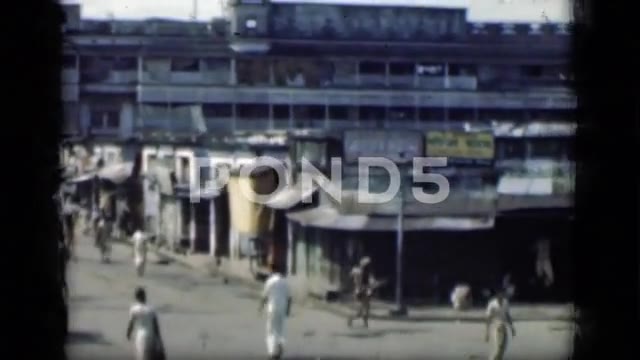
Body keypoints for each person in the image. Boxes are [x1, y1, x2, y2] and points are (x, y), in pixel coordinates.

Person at [258, 264, 292, 360]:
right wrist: (288, 310)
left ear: (272, 271)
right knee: (280, 329)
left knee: (270, 330)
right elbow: (289, 298)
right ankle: (280, 344)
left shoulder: (270, 281)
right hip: (282, 308)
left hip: (272, 308)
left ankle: (272, 352)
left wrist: (260, 308)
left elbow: (264, 296)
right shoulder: (286, 282)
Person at [126, 287, 165, 360]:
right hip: (151, 336)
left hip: (140, 336)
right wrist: (159, 340)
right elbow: (156, 327)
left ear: (136, 297)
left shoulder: (134, 309)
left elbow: (131, 323)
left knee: (141, 356)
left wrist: (128, 333)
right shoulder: (151, 309)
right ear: (144, 296)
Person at [485, 289, 516, 360]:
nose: (501, 296)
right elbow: (488, 318)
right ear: (496, 296)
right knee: (499, 346)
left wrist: (512, 328)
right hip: (496, 327)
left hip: (503, 327)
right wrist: (487, 332)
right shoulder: (492, 304)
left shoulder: (505, 302)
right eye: (499, 295)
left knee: (503, 347)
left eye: (502, 295)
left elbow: (507, 315)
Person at [347, 256, 376, 328]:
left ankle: (365, 323)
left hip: (365, 291)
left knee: (366, 308)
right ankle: (351, 319)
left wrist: (371, 285)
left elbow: (371, 282)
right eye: (367, 265)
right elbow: (351, 276)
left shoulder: (367, 273)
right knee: (361, 310)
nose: (368, 266)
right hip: (359, 292)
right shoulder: (358, 271)